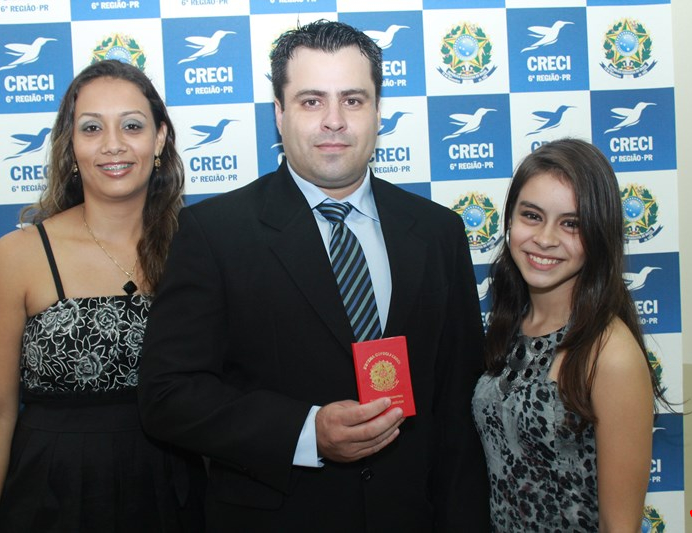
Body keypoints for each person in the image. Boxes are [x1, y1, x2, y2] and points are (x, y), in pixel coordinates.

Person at [138, 20, 490, 532]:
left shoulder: (438, 232)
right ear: (279, 115)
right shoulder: (215, 233)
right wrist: (306, 432)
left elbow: (458, 409)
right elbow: (168, 396)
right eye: (311, 101)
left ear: (378, 111)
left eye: (353, 100)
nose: (334, 121)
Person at [0, 60, 205, 532]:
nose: (113, 144)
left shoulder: (199, 250)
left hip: (173, 495)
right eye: (92, 128)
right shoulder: (18, 256)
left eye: (131, 126)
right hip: (51, 499)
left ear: (159, 139)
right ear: (70, 146)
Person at [472, 138, 664, 532]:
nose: (545, 238)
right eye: (532, 216)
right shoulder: (512, 326)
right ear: (509, 221)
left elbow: (619, 526)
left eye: (571, 224)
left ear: (599, 233)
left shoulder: (610, 354)